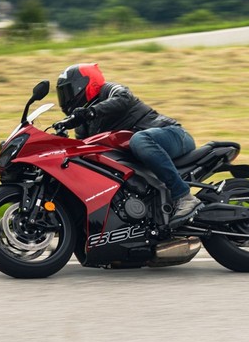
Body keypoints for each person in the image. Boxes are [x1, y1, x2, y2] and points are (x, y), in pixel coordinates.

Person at [53, 62, 202, 223]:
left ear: (85, 85)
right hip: (143, 154)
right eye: (62, 93)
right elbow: (82, 150)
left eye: (68, 91)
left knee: (138, 140)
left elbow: (123, 98)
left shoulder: (109, 90)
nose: (65, 98)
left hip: (173, 135)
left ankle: (184, 196)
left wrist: (91, 112)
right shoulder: (84, 123)